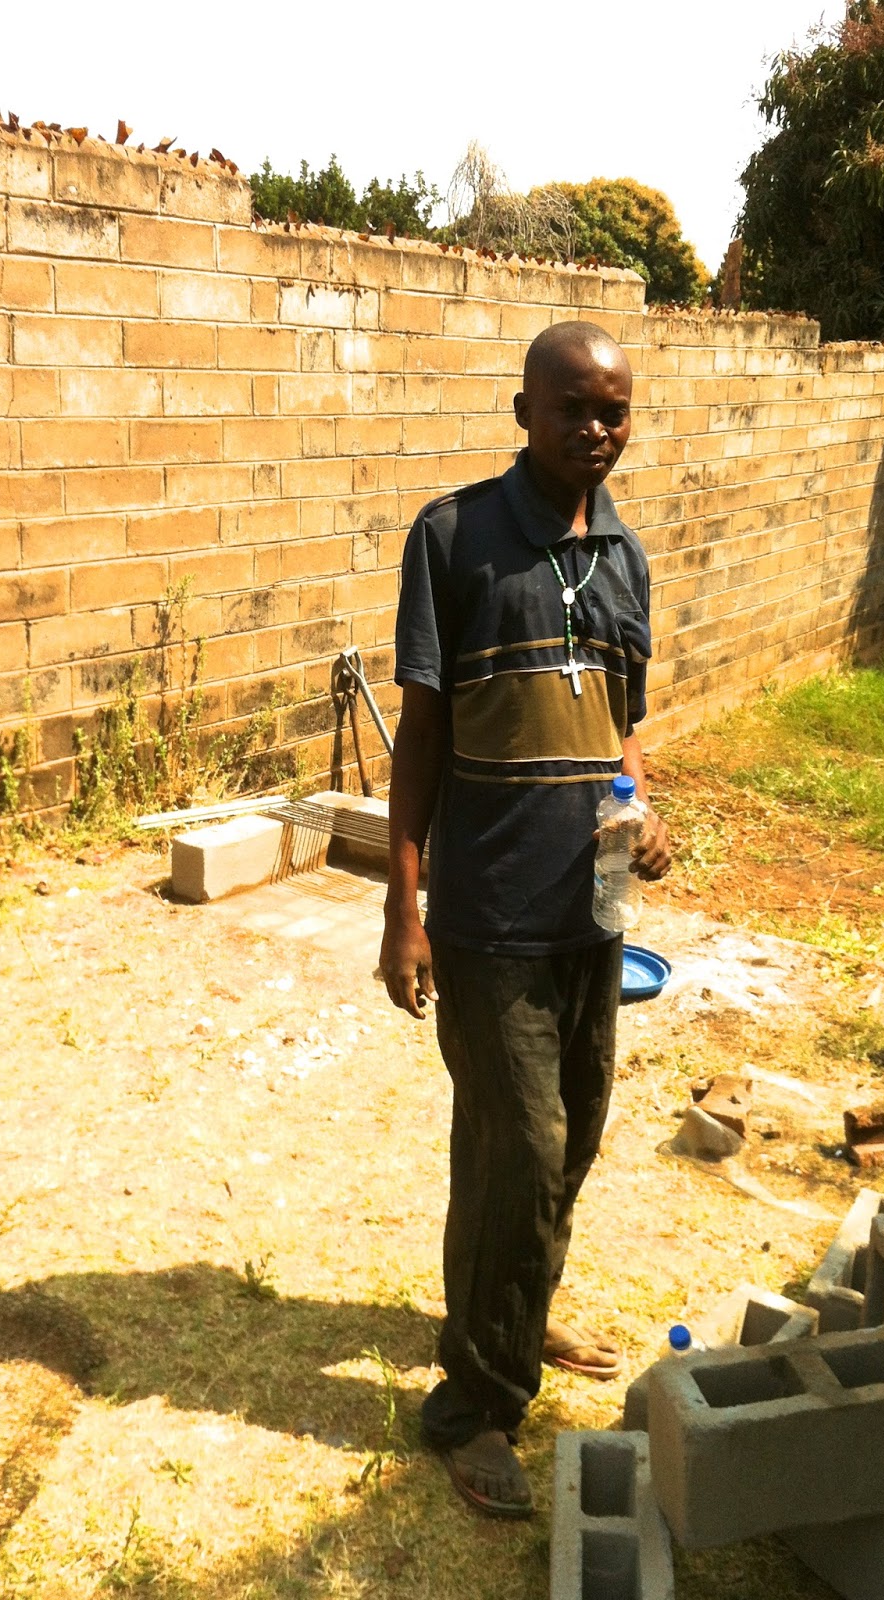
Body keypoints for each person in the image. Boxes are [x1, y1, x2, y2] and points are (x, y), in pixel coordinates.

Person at [380, 320, 671, 1518]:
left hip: (589, 912)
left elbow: (620, 728)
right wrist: (404, 906)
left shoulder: (626, 557)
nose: (595, 430)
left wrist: (637, 808)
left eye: (613, 410)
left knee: (570, 1132)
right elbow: (421, 739)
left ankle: (513, 1311)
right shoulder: (454, 537)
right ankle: (477, 1406)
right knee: (522, 1146)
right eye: (572, 408)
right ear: (523, 413)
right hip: (488, 914)